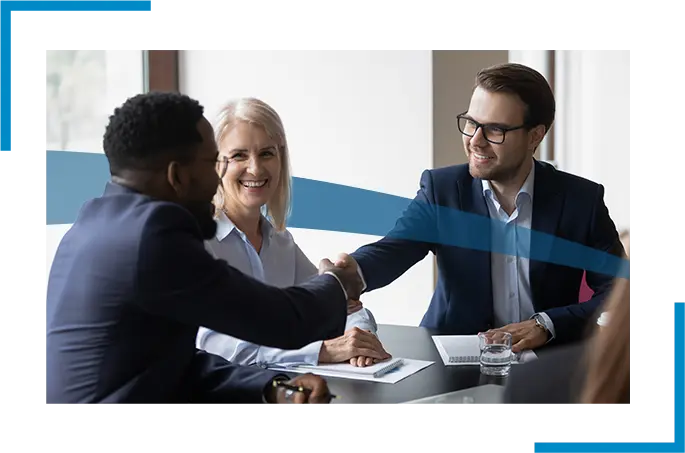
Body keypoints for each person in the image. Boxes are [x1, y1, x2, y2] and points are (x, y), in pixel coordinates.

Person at [45, 91, 364, 407]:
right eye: (214, 162)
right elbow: (279, 320)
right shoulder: (153, 236)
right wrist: (338, 281)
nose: (218, 178)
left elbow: (173, 362)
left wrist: (275, 389)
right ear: (177, 176)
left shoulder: (92, 225)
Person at [327, 63, 626, 352]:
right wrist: (353, 273)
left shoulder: (580, 199)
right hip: (453, 357)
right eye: (471, 124)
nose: (475, 141)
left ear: (535, 135)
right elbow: (393, 250)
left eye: (495, 129)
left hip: (547, 361)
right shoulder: (442, 190)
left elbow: (619, 289)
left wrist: (546, 324)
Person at [196, 97, 391, 368]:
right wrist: (321, 351)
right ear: (216, 164)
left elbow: (342, 305)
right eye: (239, 155)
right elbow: (224, 348)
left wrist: (360, 337)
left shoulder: (281, 242)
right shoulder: (198, 243)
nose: (255, 168)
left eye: (267, 153)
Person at [503, 275, 631, 407]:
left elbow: (613, 290)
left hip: (553, 356)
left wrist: (547, 323)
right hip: (486, 351)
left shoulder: (531, 384)